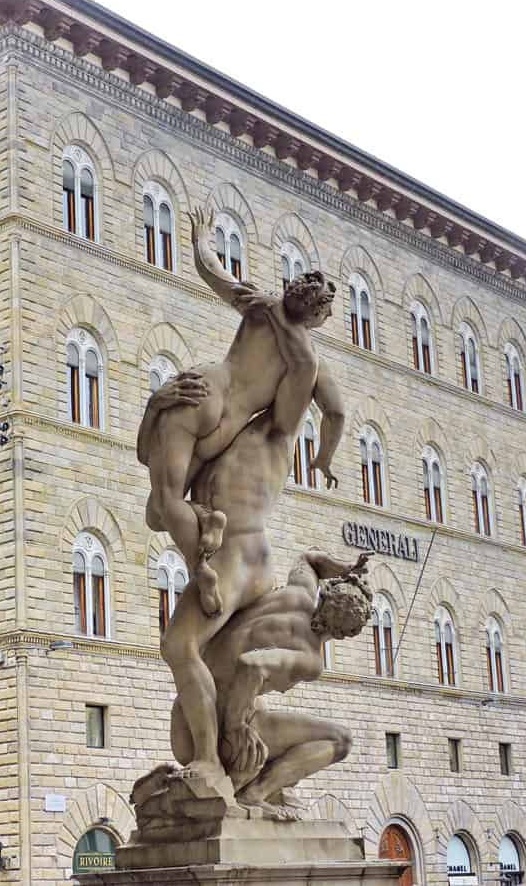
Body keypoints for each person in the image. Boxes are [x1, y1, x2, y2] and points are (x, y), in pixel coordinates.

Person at [146, 296, 346, 798]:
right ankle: (239, 768)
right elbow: (156, 504)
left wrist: (282, 316)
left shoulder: (277, 431)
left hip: (235, 555)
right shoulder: (228, 434)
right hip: (245, 558)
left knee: (178, 646)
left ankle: (209, 762)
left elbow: (321, 388)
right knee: (211, 654)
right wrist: (158, 404)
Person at [137, 206, 338, 616]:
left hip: (204, 389)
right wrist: (323, 457)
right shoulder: (306, 360)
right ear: (317, 314)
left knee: (165, 504)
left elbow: (211, 270)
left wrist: (200, 237)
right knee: (157, 514)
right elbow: (335, 413)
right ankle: (204, 533)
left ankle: (201, 565)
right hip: (228, 427)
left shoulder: (261, 307)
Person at [175, 550, 373, 819]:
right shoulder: (310, 659)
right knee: (341, 740)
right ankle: (254, 794)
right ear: (345, 634)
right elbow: (252, 665)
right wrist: (236, 727)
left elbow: (308, 559)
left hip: (188, 712)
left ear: (327, 592)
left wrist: (345, 568)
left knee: (258, 704)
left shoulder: (299, 593)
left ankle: (262, 786)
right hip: (219, 732)